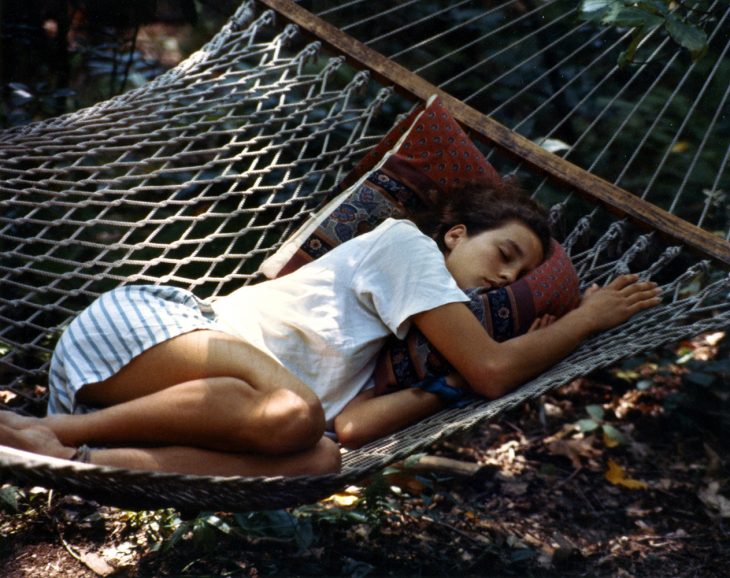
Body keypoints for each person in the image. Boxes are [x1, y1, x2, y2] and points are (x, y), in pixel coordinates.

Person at [0, 184, 661, 477]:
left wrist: (446, 384)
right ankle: (54, 434)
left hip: (174, 400)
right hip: (156, 327)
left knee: (316, 455)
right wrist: (587, 319)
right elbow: (493, 368)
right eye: (503, 256)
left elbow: (354, 431)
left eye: (516, 280)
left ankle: (78, 458)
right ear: (456, 236)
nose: (502, 281)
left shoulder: (418, 340)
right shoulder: (409, 249)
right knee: (296, 412)